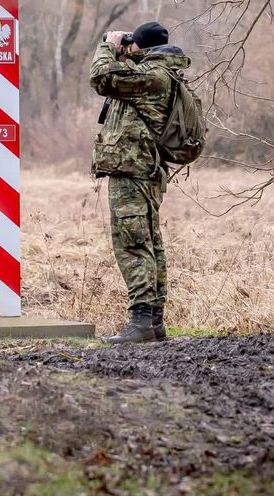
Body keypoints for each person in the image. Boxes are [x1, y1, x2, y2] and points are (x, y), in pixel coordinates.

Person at [89, 21, 191, 344]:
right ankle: (154, 321)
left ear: (141, 49)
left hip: (133, 170)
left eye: (133, 46)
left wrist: (108, 46)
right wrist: (126, 51)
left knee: (133, 243)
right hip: (141, 170)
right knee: (149, 242)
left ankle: (142, 320)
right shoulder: (160, 75)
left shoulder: (152, 78)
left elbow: (101, 77)